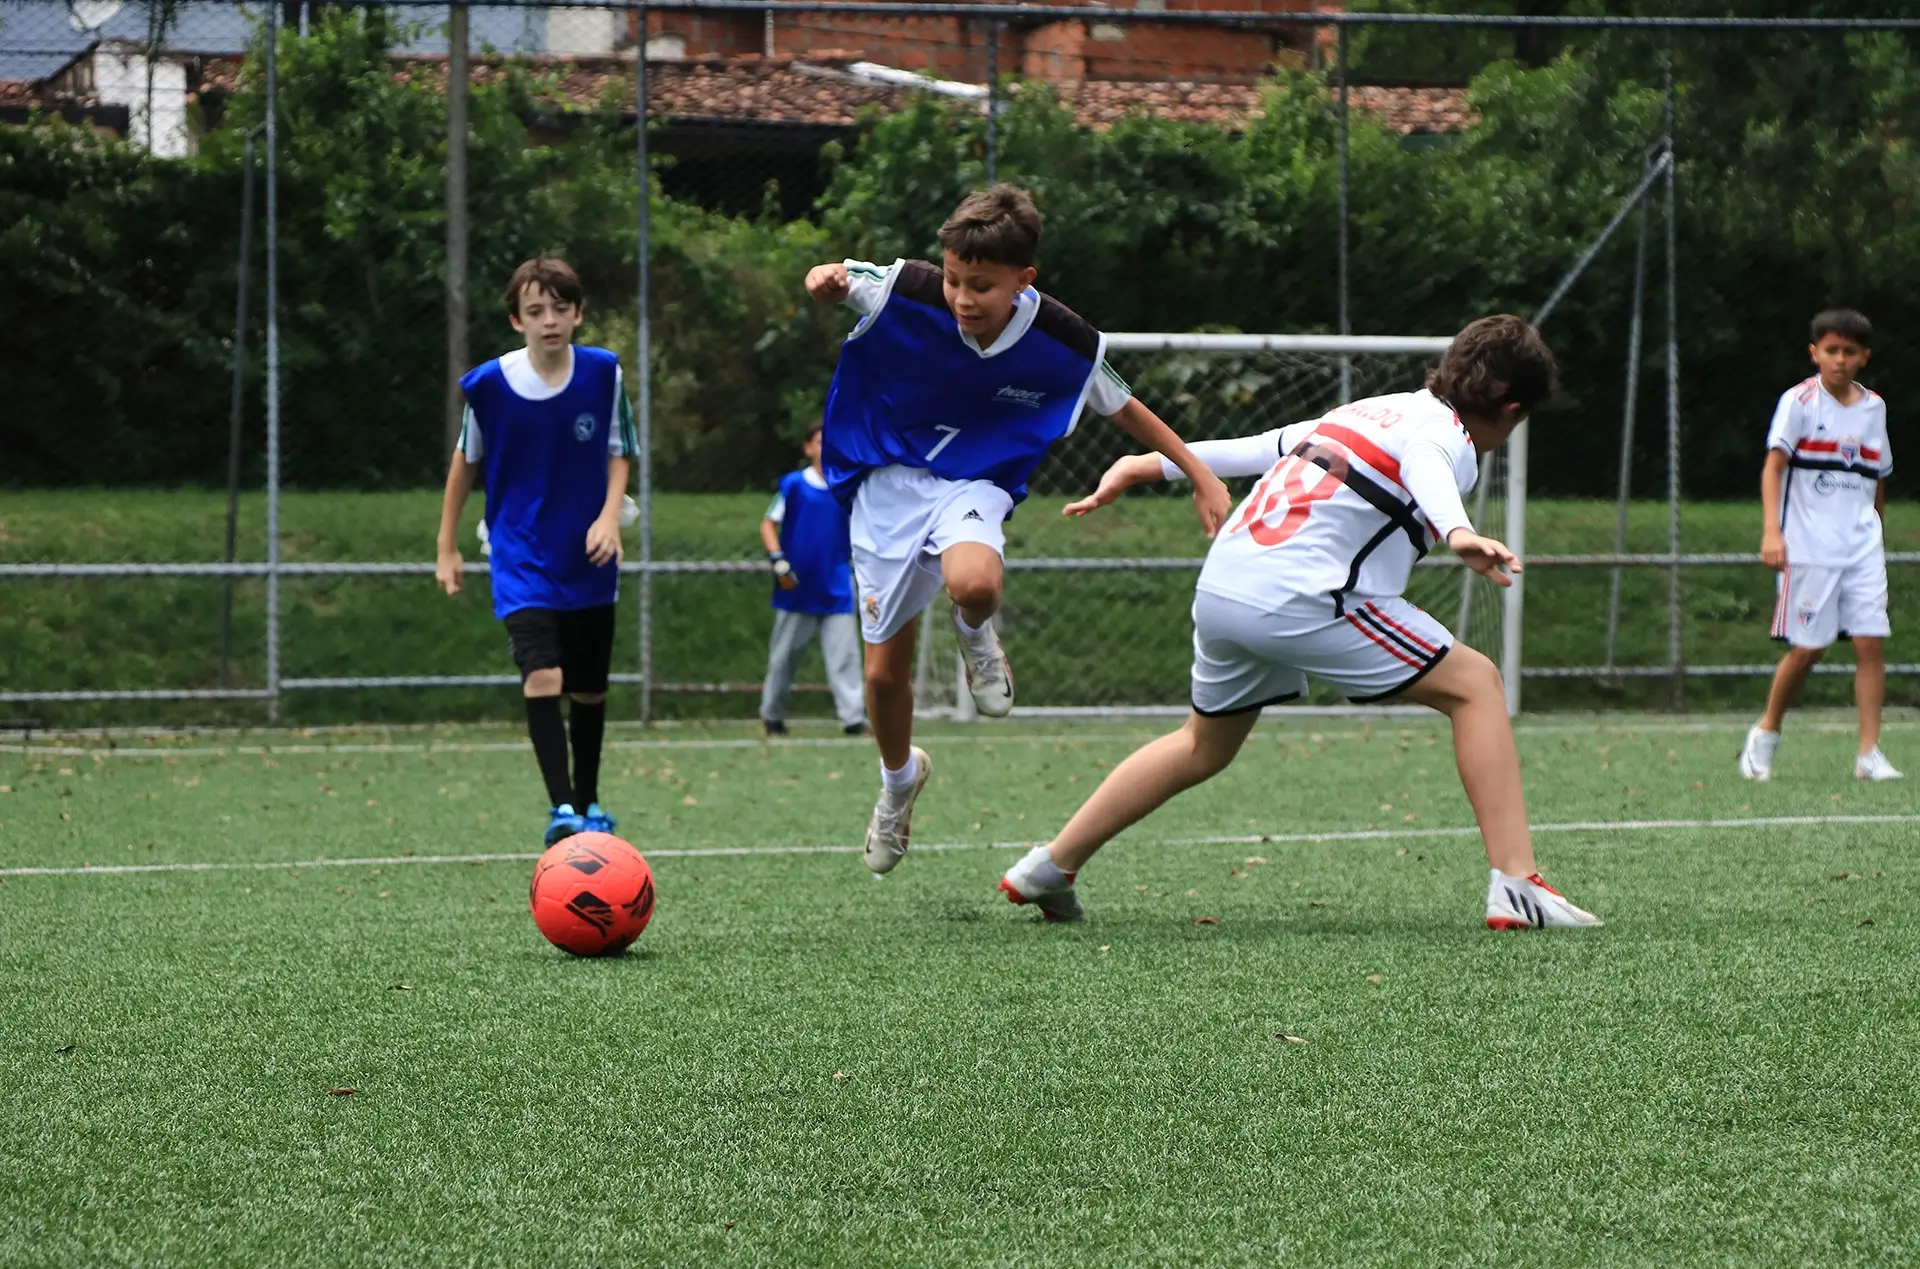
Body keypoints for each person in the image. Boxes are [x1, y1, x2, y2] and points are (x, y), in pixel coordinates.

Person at [998, 315, 1604, 931]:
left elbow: (1259, 448)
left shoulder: (1372, 410)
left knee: (1201, 745)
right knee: (1476, 685)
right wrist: (1459, 531)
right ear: (1511, 406)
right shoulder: (1443, 435)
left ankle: (1052, 865)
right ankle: (1516, 884)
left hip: (1225, 586)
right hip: (1302, 596)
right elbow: (1426, 462)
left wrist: (1144, 464)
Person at [804, 183, 1233, 875]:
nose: (962, 298)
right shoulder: (906, 288)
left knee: (974, 583)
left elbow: (1128, 409)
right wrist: (825, 282)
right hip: (885, 481)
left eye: (981, 285)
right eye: (953, 279)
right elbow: (840, 279)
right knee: (884, 677)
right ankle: (899, 781)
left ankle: (977, 633)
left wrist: (1199, 473)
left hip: (974, 483)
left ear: (1023, 280)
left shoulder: (1066, 341)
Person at [435, 256, 637, 846]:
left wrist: (609, 519)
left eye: (559, 308)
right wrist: (446, 546)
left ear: (578, 314)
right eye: (535, 310)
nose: (549, 320)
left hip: (588, 551)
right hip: (519, 550)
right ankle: (565, 808)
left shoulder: (604, 375)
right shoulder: (491, 387)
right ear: (516, 320)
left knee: (589, 686)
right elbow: (464, 464)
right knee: (543, 674)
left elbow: (621, 451)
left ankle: (591, 796)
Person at [1740, 309, 1900, 782]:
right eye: (1831, 351)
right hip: (1810, 548)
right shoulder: (1799, 403)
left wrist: (1876, 530)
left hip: (1861, 547)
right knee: (1809, 649)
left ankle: (1869, 755)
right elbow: (1774, 467)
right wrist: (1772, 531)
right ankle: (1765, 733)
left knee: (1871, 644)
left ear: (1863, 357)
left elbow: (1877, 477)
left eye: (1850, 352)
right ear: (1815, 353)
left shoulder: (1875, 408)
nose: (1840, 360)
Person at [760, 422, 867, 738]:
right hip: (797, 587)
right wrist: (778, 559)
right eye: (819, 442)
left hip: (835, 586)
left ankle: (853, 718)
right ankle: (772, 715)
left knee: (845, 658)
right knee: (783, 658)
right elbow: (768, 524)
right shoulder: (794, 486)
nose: (825, 447)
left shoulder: (845, 486)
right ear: (808, 448)